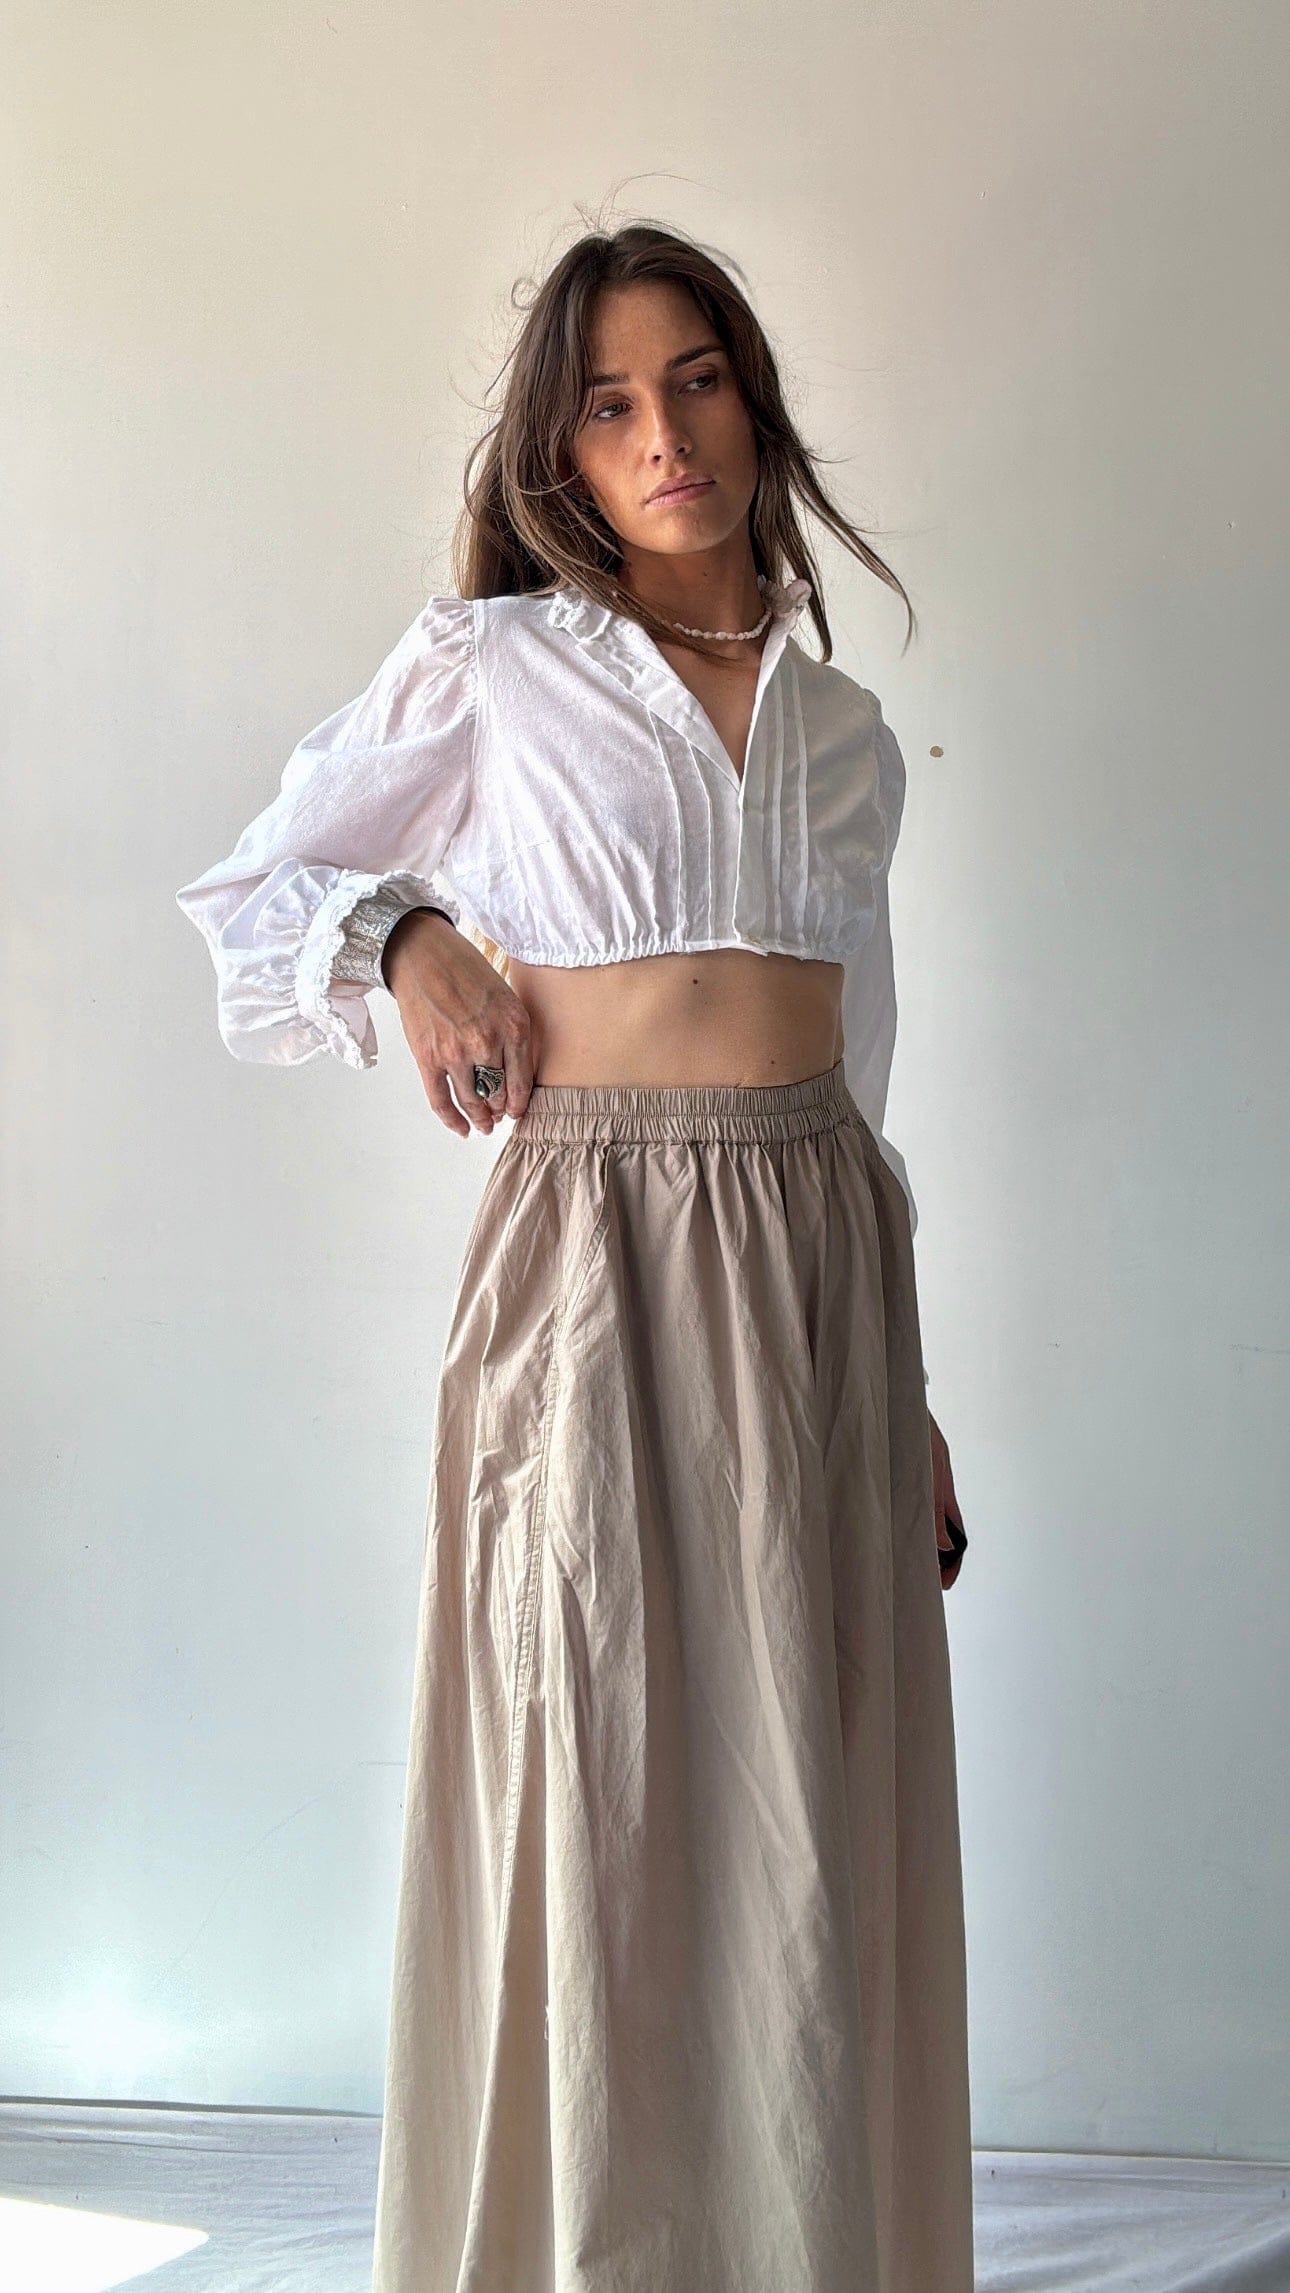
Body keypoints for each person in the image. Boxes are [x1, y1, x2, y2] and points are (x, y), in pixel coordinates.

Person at [176, 218, 973, 2293]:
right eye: (610, 403)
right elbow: (257, 891)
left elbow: (863, 1067)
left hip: (823, 1266)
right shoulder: (500, 669)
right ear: (563, 449)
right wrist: (410, 936)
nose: (663, 433)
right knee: (594, 1770)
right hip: (594, 1254)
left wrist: (907, 1392)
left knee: (812, 1798)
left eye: (695, 379)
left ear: (751, 403)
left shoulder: (844, 736)